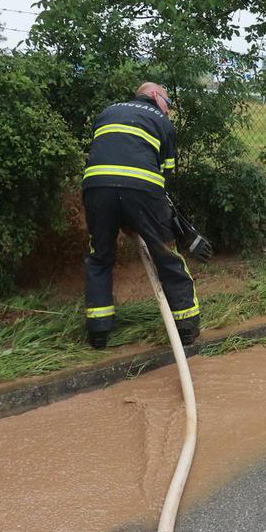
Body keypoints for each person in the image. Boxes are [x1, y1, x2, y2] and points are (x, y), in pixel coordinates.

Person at [82, 82, 200, 350]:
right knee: (166, 255)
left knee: (99, 257)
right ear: (156, 96)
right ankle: (186, 327)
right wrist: (144, 216)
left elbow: (104, 151)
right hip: (143, 190)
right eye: (168, 104)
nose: (168, 111)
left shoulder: (107, 113)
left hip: (96, 188)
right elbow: (165, 174)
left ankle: (98, 331)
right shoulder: (162, 122)